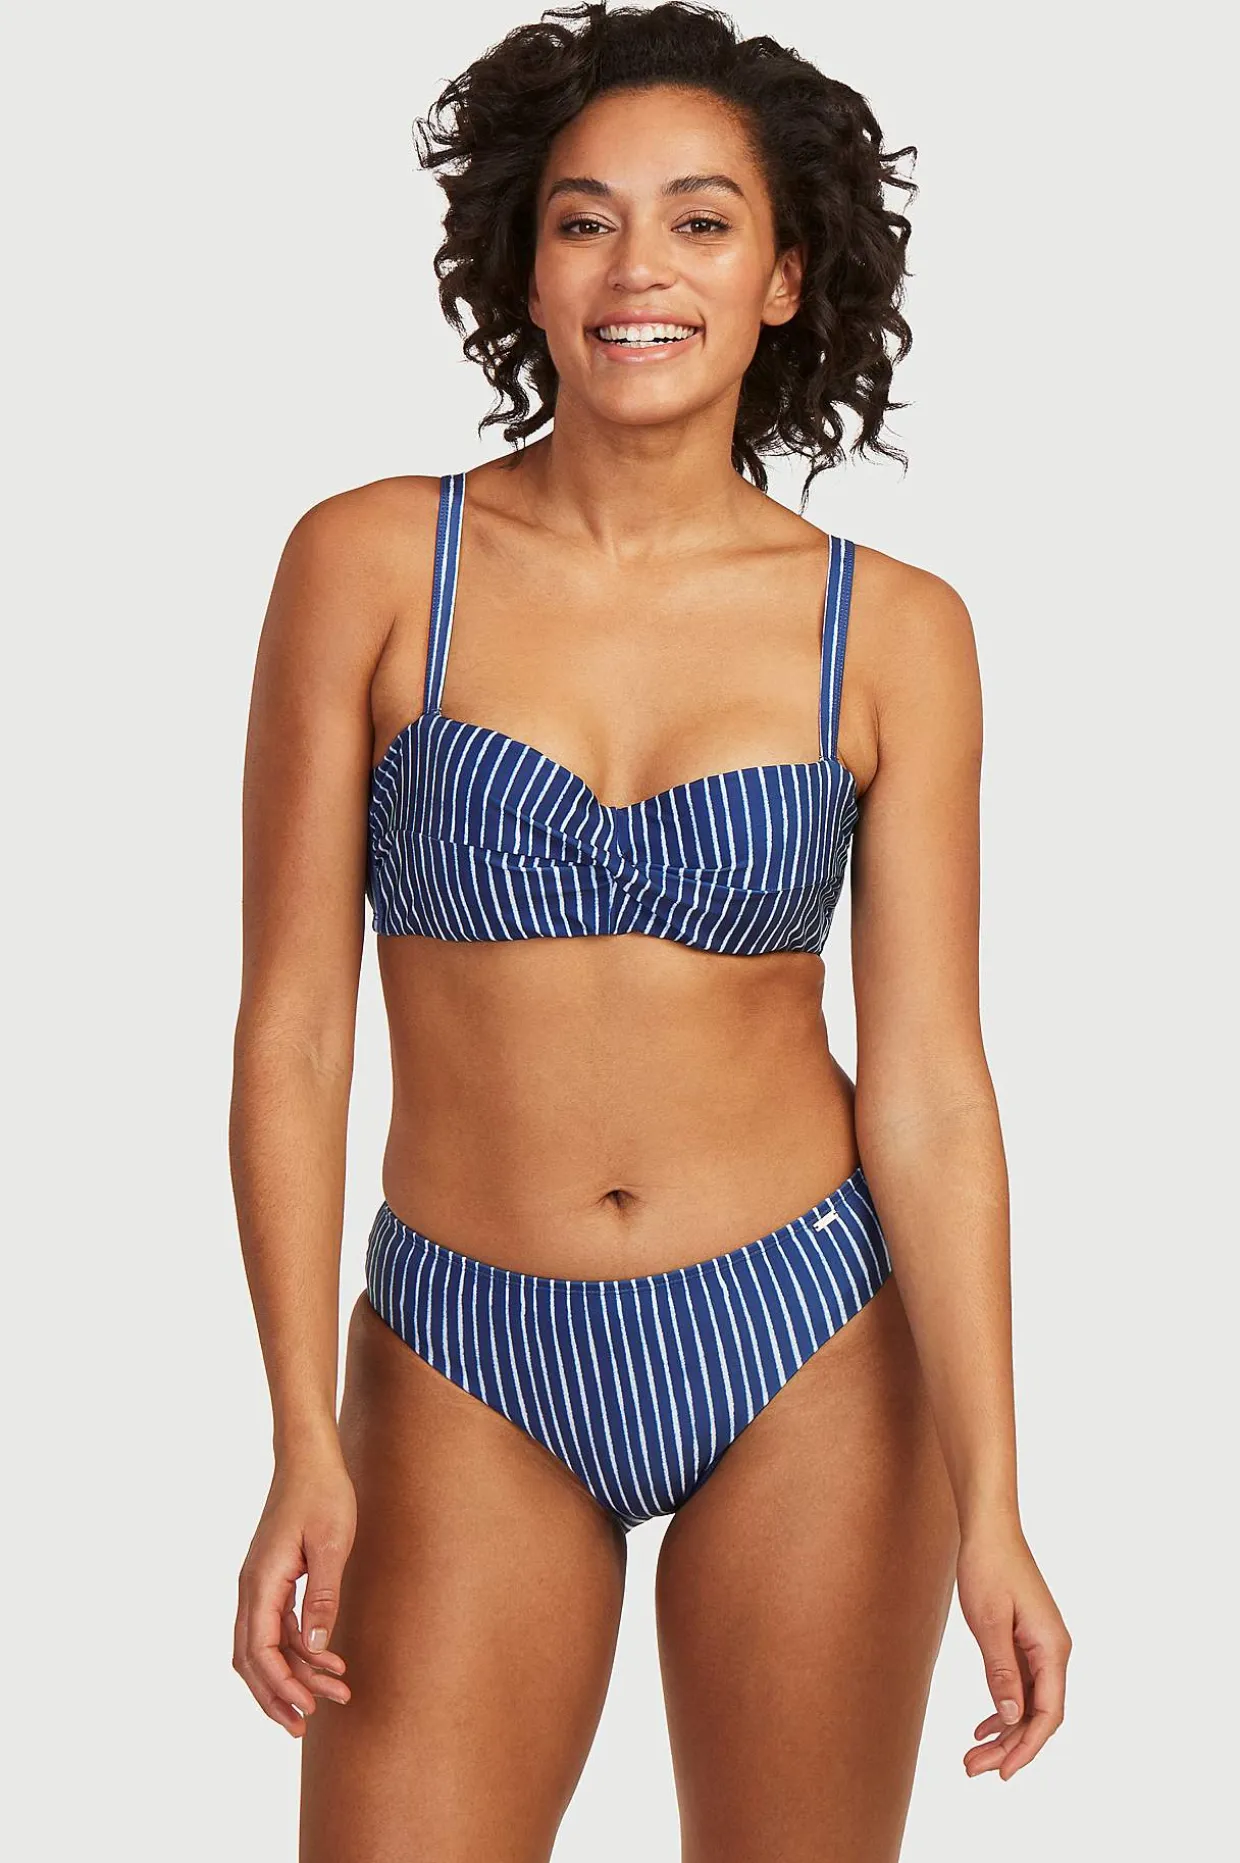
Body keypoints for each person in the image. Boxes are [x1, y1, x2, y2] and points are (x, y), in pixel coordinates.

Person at [229, 3, 1072, 1856]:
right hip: (462, 1342)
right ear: (524, 266)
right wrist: (299, 1427)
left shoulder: (892, 631)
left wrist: (997, 1493)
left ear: (784, 278)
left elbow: (933, 1087)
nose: (638, 268)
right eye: (585, 219)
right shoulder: (370, 564)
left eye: (700, 221)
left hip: (811, 1334)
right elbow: (294, 1029)